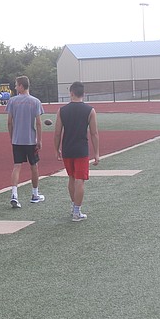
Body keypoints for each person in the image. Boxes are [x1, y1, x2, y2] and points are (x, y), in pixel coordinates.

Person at [54, 82, 100, 222]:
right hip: (81, 149)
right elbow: (94, 133)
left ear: (71, 93)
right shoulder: (90, 110)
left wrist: (57, 150)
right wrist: (97, 153)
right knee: (80, 180)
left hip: (68, 148)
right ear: (83, 94)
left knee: (72, 178)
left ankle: (74, 206)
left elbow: (57, 133)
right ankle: (76, 211)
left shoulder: (62, 111)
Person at [6, 75, 45, 208]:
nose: (15, 87)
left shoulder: (12, 101)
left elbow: (9, 122)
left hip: (17, 140)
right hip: (30, 140)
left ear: (21, 86)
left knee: (17, 166)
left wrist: (12, 137)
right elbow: (39, 123)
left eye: (16, 85)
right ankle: (34, 194)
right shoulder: (35, 102)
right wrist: (39, 139)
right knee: (34, 166)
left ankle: (14, 195)